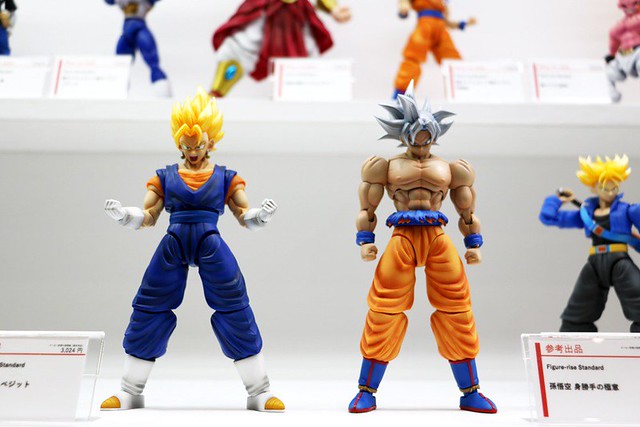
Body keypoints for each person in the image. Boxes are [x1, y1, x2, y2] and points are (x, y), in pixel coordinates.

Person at [101, 88, 284, 412]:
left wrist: (261, 216)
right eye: (186, 146)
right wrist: (124, 216)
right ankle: (130, 390)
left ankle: (259, 391)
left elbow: (244, 216)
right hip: (173, 243)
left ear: (210, 142)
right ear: (178, 143)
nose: (193, 152)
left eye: (198, 145)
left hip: (210, 241)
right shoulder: (164, 177)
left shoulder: (226, 177)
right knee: (149, 308)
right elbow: (149, 216)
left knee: (234, 307)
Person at [348, 81, 496, 414]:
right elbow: (368, 206)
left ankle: (470, 391)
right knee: (384, 308)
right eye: (416, 134)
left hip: (437, 237)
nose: (421, 141)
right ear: (403, 134)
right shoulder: (385, 167)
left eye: (427, 134)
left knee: (457, 308)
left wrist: (473, 243)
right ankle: (366, 390)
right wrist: (366, 239)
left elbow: (466, 209)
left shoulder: (450, 168)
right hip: (401, 236)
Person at [539, 155, 640, 333]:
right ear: (594, 188)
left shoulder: (628, 210)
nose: (610, 192)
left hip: (619, 261)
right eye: (604, 187)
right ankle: (575, 345)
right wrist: (556, 200)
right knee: (575, 316)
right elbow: (549, 218)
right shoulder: (586, 214)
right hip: (594, 264)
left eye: (614, 187)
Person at [210, 0, 351, 97]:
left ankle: (303, 94)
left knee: (305, 55)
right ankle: (218, 90)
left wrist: (334, 8)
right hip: (264, 9)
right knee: (238, 47)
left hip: (295, 14)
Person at [393, 0, 475, 98]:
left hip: (441, 29)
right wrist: (403, 8)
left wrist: (460, 24)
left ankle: (463, 89)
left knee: (453, 60)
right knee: (414, 56)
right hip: (425, 25)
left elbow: (446, 20)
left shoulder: (441, 3)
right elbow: (405, 2)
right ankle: (401, 93)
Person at [105, 0, 171, 96]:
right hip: (127, 30)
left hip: (139, 28)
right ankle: (117, 88)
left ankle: (161, 85)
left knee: (151, 57)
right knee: (120, 63)